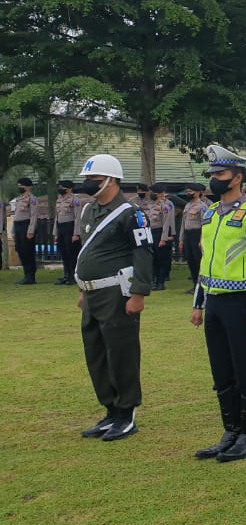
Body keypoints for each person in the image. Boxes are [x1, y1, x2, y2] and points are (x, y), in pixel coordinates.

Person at [190, 145, 246, 463]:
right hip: (214, 303)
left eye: (220, 174)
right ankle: (231, 431)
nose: (215, 180)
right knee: (221, 371)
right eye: (212, 175)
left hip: (241, 302)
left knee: (245, 370)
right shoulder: (211, 214)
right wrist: (198, 305)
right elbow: (206, 263)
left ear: (237, 177)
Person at [73, 154, 153, 442]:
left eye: (93, 180)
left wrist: (139, 293)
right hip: (92, 292)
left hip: (117, 292)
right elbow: (87, 253)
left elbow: (143, 253)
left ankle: (126, 413)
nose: (88, 185)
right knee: (95, 353)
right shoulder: (88, 211)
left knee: (121, 352)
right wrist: (83, 289)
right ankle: (110, 409)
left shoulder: (130, 213)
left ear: (111, 180)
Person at [179, 183, 211, 294]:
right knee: (190, 260)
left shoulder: (202, 206)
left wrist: (202, 239)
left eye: (190, 192)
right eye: (187, 192)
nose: (188, 194)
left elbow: (205, 225)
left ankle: (201, 285)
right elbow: (183, 224)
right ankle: (194, 284)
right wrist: (181, 239)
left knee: (198, 261)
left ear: (197, 192)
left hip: (197, 235)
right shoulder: (187, 206)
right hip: (187, 235)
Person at [54, 179, 85, 286]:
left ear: (69, 188)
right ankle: (66, 275)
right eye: (60, 187)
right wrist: (56, 233)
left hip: (70, 227)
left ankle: (73, 276)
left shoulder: (75, 200)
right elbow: (56, 218)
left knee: (72, 253)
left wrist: (76, 233)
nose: (60, 189)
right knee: (63, 253)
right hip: (61, 228)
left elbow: (78, 218)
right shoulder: (59, 200)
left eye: (63, 187)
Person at [145, 184, 176, 291]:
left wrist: (164, 238)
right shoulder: (151, 204)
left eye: (153, 192)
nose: (150, 194)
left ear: (159, 193)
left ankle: (160, 282)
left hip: (161, 232)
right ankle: (154, 280)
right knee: (153, 258)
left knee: (162, 259)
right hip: (151, 232)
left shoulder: (167, 205)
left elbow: (167, 222)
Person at [12, 177, 40, 284]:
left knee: (28, 251)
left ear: (28, 187)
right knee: (20, 250)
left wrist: (31, 230)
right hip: (18, 226)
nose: (19, 187)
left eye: (21, 186)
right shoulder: (19, 199)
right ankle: (25, 274)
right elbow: (16, 216)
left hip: (26, 226)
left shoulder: (32, 199)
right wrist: (13, 230)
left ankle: (31, 276)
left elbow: (33, 216)